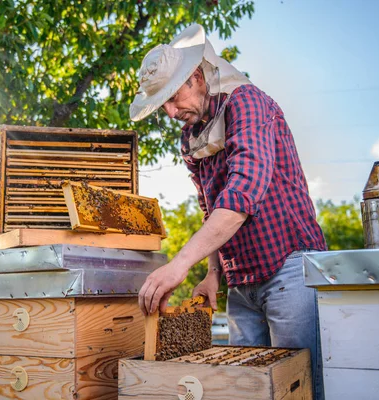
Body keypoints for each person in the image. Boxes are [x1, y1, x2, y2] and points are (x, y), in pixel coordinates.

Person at [130, 24, 327, 399]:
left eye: (174, 97)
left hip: (288, 269)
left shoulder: (247, 103)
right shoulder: (191, 137)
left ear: (198, 77)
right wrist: (212, 275)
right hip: (241, 283)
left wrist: (179, 264)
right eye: (163, 105)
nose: (171, 112)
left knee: (299, 387)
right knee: (246, 390)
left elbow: (240, 197)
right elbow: (211, 207)